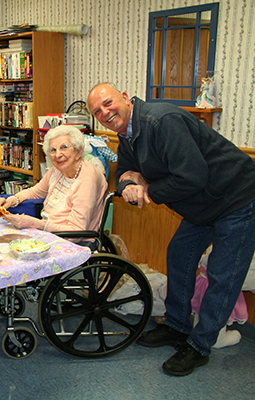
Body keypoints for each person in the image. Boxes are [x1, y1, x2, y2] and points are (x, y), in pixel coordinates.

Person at [87, 82, 255, 376]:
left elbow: (192, 177)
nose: (105, 112)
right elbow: (125, 172)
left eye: (108, 103)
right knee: (179, 254)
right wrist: (128, 184)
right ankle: (177, 326)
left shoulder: (162, 122)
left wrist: (147, 189)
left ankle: (201, 345)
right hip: (202, 205)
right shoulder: (126, 134)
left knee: (223, 274)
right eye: (97, 111)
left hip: (238, 197)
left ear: (125, 98)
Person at [0, 125, 107, 234]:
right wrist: (12, 200)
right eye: (53, 150)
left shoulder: (87, 179)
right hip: (47, 231)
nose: (58, 155)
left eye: (64, 147)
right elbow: (34, 192)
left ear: (78, 151)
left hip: (70, 240)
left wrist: (35, 223)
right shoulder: (57, 170)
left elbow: (77, 231)